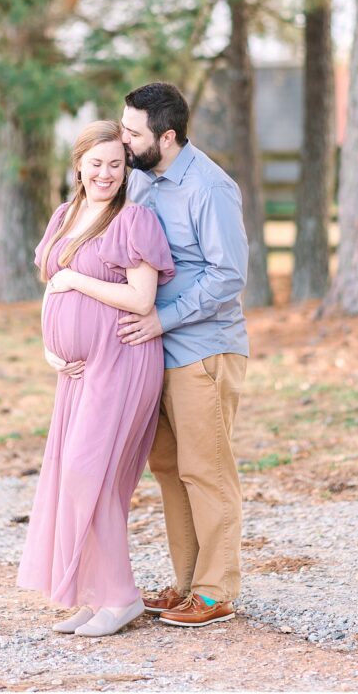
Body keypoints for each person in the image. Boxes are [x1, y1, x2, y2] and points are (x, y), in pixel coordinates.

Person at [16, 120, 175, 638]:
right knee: (74, 478)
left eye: (115, 163)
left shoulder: (134, 220)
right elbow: (51, 285)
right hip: (79, 373)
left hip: (124, 361)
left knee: (95, 477)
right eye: (96, 162)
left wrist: (75, 279)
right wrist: (50, 349)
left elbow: (140, 298)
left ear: (126, 167)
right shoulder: (65, 215)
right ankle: (96, 595)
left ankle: (123, 597)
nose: (106, 172)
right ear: (79, 164)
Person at [119, 82, 249, 628]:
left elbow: (228, 275)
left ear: (166, 137)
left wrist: (161, 319)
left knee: (207, 470)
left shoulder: (209, 187)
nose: (123, 140)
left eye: (133, 132)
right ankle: (187, 582)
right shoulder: (141, 180)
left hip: (202, 350)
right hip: (156, 353)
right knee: (169, 468)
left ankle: (217, 592)